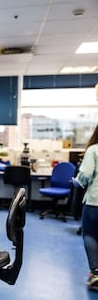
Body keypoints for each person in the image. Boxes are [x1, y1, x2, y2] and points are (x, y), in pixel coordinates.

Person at [73, 124, 98, 291]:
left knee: (90, 234)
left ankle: (96, 273)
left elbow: (85, 174)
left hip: (95, 202)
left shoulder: (94, 150)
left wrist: (77, 182)